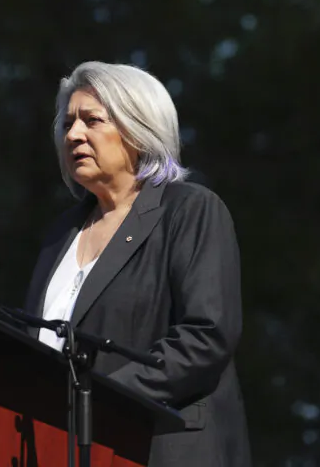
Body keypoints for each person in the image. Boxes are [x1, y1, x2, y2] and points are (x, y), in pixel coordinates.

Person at [23, 61, 251, 467]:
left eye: (92, 120)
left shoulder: (189, 209)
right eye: (67, 124)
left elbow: (205, 336)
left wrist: (102, 399)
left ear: (137, 128)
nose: (73, 134)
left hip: (158, 448)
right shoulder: (61, 234)